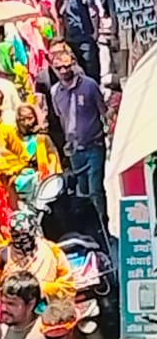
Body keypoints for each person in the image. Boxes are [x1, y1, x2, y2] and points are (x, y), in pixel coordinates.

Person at [50, 49, 107, 220]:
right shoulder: (55, 92)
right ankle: (90, 226)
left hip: (93, 145)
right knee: (82, 192)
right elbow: (62, 118)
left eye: (67, 66)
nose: (63, 71)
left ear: (73, 64)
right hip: (74, 149)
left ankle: (102, 222)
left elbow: (103, 111)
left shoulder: (89, 85)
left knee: (95, 188)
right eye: (59, 68)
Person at [0, 211, 74, 298]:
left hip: (47, 305)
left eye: (25, 234)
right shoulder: (3, 253)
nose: (21, 239)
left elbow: (67, 284)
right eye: (16, 234)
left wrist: (43, 289)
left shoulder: (50, 250)